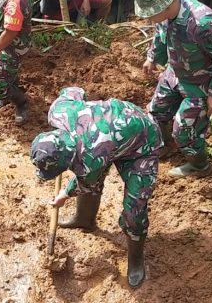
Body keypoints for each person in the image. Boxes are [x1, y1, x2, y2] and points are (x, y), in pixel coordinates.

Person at [30, 87, 163, 288]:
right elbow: (75, 90)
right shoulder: (58, 111)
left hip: (142, 143)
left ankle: (136, 259)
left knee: (134, 210)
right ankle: (84, 220)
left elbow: (84, 182)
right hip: (113, 133)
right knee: (91, 180)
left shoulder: (90, 159)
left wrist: (64, 194)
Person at [134, 0, 212, 178]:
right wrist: (152, 58)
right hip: (175, 73)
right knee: (155, 113)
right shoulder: (166, 14)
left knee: (184, 131)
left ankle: (199, 166)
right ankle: (161, 147)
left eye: (150, 15)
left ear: (165, 6)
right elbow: (161, 34)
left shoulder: (203, 23)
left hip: (200, 84)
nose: (148, 19)